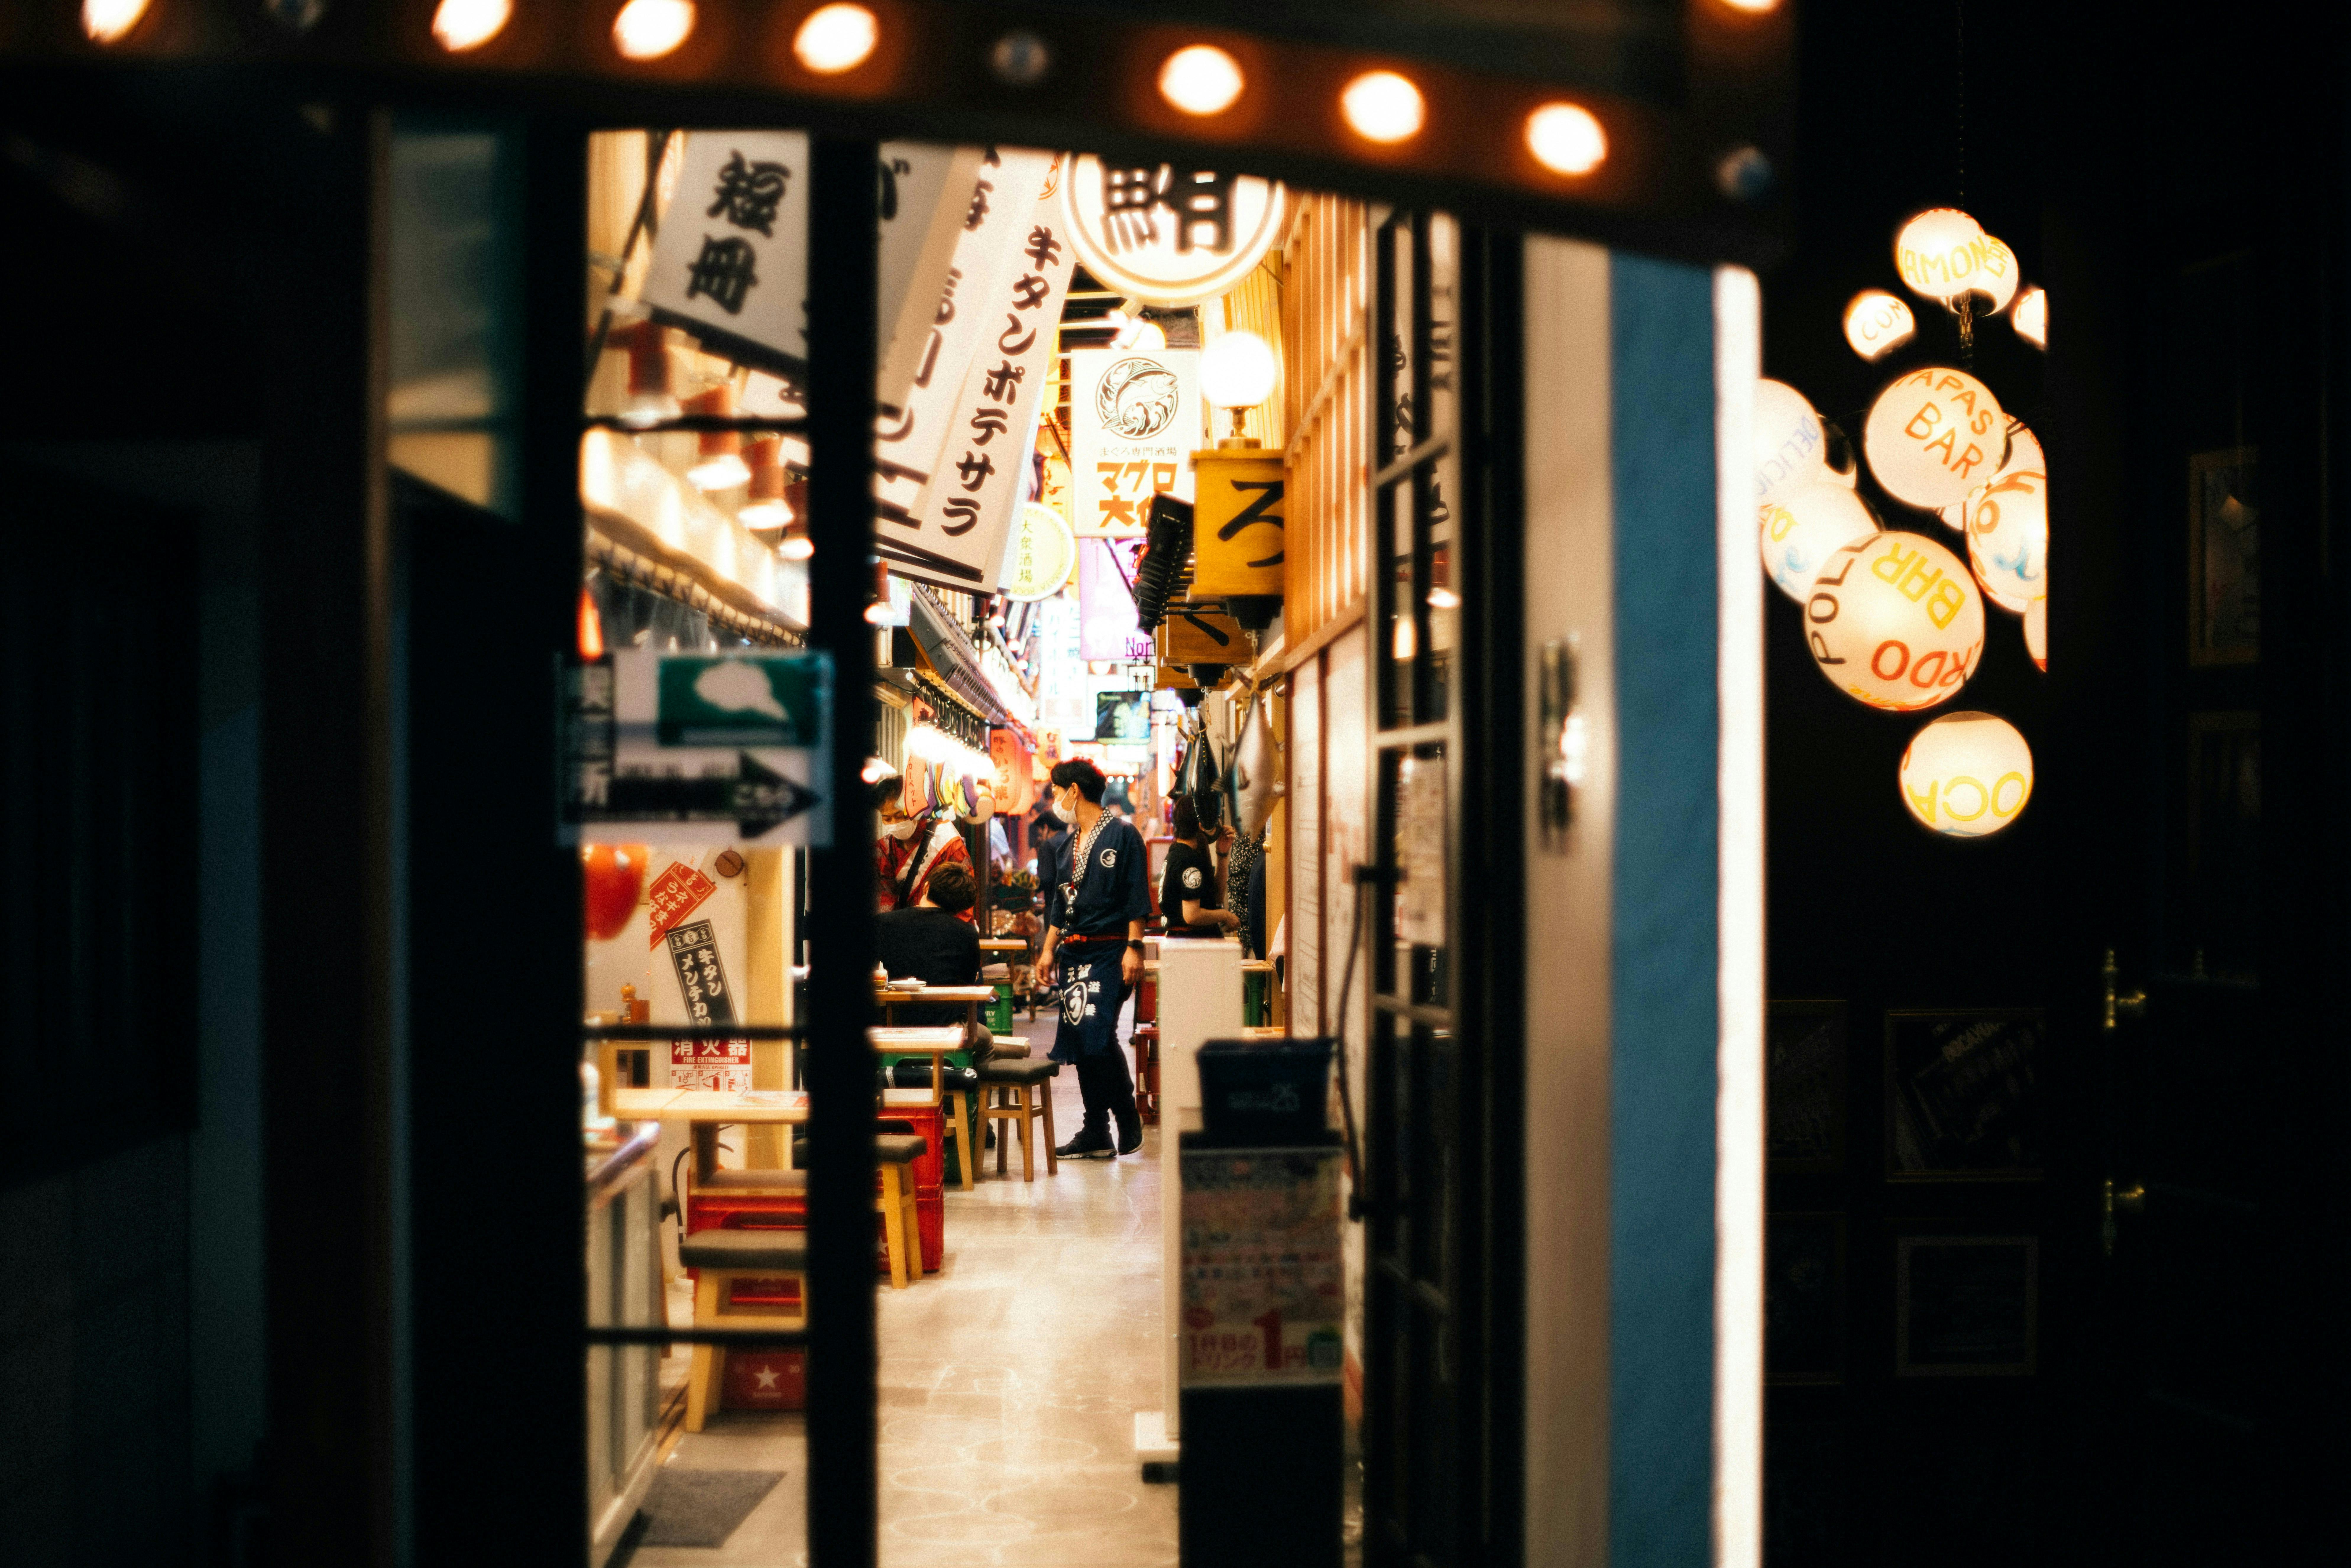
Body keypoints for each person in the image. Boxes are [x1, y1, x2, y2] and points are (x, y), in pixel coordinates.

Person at [1036, 758, 1149, 1158]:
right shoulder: (1068, 843)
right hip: (1073, 952)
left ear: (1074, 791)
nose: (1055, 800)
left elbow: (1136, 896)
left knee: (1099, 1036)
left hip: (1111, 949)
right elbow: (1058, 905)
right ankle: (1095, 1132)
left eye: (1056, 791)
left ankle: (1125, 1113)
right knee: (1083, 1041)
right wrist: (1049, 949)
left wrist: (1135, 949)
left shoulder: (1124, 835)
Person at [874, 770, 972, 913]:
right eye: (887, 819)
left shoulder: (949, 844)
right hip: (898, 929)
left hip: (940, 929)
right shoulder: (884, 849)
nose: (895, 823)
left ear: (916, 810)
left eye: (900, 816)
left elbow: (963, 898)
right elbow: (883, 897)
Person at [1160, 795, 1241, 939]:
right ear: (1202, 825)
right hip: (1193, 944)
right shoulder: (1188, 860)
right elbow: (1192, 915)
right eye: (1215, 819)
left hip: (1185, 942)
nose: (1219, 825)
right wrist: (1225, 915)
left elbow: (1216, 898)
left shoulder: (1179, 853)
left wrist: (1222, 854)